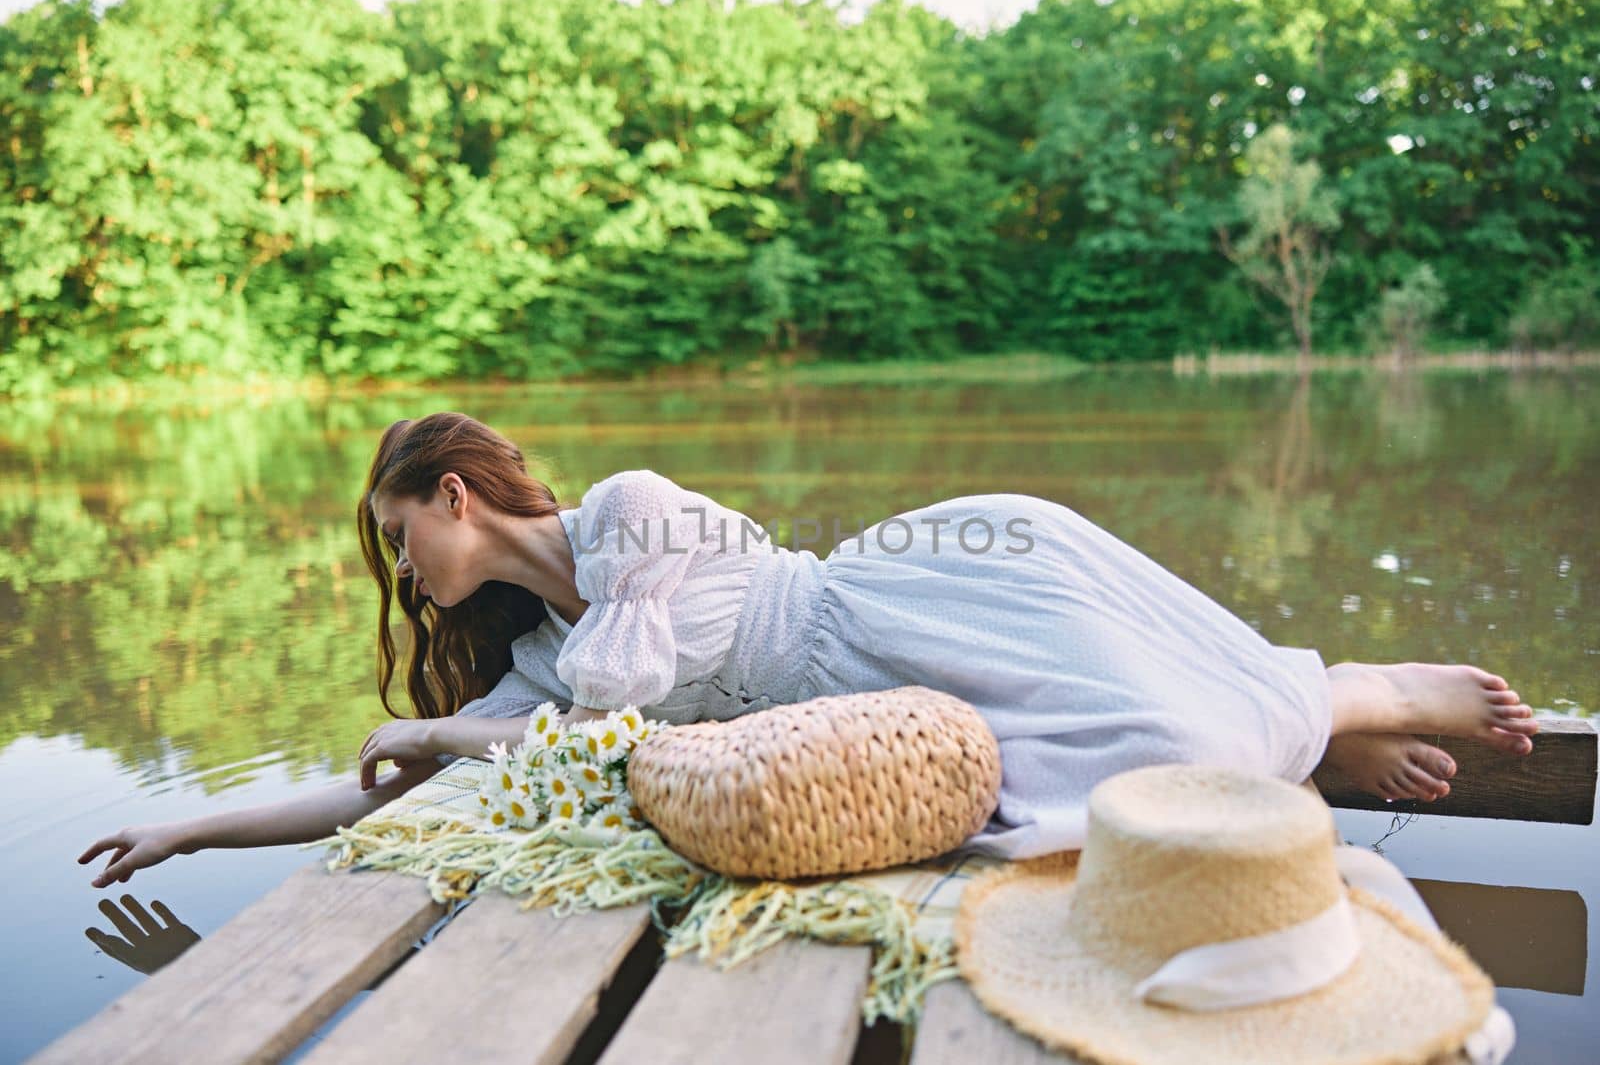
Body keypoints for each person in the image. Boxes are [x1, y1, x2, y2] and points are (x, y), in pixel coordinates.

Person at [81, 412, 1539, 887]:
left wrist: (449, 735)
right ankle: (1320, 720)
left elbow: (610, 718)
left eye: (400, 535)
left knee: (1187, 751)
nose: (402, 571)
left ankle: (1354, 692)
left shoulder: (629, 517)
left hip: (903, 609)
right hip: (884, 720)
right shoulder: (537, 661)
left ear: (452, 497)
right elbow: (388, 788)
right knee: (1135, 800)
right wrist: (192, 827)